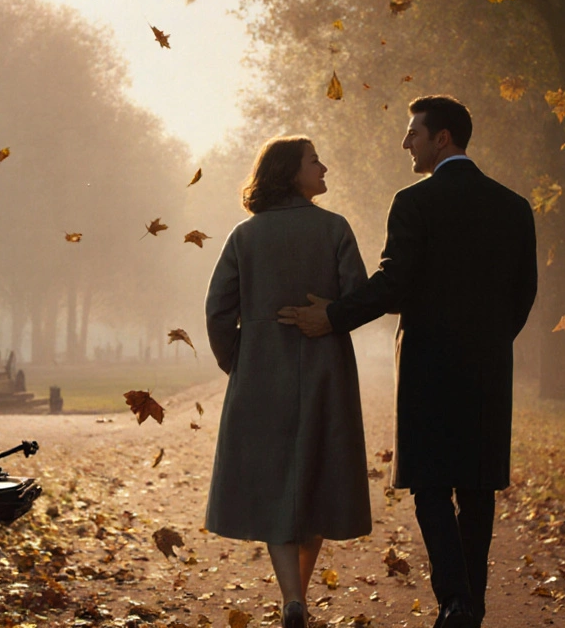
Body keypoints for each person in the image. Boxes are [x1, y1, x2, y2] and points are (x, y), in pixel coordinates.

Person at [279, 96, 538, 628]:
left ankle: (455, 602)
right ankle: (474, 604)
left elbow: (395, 283)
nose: (406, 142)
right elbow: (524, 292)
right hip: (489, 368)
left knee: (431, 487)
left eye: (413, 132)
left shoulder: (414, 201)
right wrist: (489, 340)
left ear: (442, 138)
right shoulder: (513, 206)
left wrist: (335, 316)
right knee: (477, 487)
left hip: (427, 366)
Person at [205, 136, 372, 628]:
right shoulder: (335, 228)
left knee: (278, 482)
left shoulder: (244, 236)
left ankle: (292, 599)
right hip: (326, 372)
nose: (324, 166)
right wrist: (330, 316)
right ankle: (295, 597)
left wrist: (239, 359)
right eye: (314, 160)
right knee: (317, 478)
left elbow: (218, 310)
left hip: (261, 372)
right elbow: (358, 297)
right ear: (289, 171)